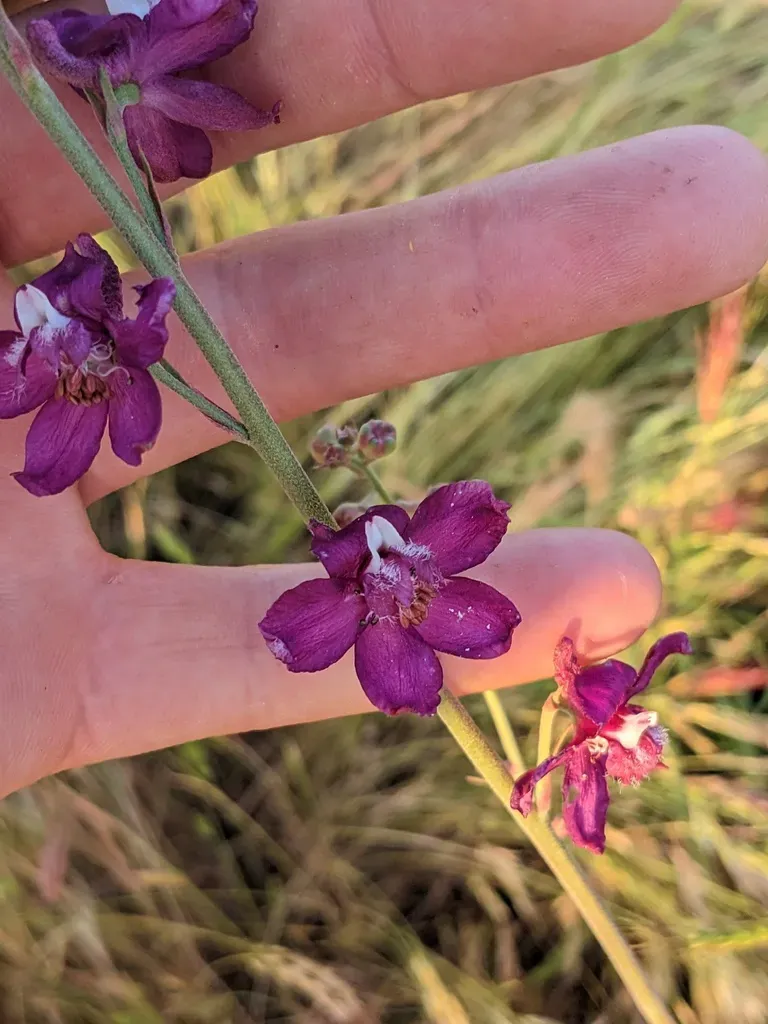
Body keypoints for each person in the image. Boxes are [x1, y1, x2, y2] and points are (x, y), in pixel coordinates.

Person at [0, 0, 766, 799]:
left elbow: (435, 602)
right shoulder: (109, 366)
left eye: (391, 574)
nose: (395, 585)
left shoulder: (413, 573)